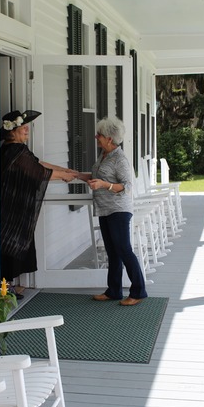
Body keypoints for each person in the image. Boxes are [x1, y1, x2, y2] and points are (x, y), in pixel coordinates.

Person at [0, 109, 77, 296]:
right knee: (9, 247)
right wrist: (64, 176)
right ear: (12, 131)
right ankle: (5, 289)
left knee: (15, 246)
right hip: (12, 208)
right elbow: (39, 173)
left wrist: (67, 172)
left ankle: (9, 286)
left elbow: (39, 164)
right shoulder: (13, 151)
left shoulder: (18, 150)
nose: (27, 129)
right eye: (22, 127)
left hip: (17, 208)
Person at [78, 116, 148, 306]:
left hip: (118, 210)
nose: (96, 137)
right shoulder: (104, 155)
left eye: (99, 135)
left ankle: (139, 291)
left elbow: (127, 186)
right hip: (105, 210)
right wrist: (75, 175)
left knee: (124, 249)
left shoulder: (120, 159)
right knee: (112, 251)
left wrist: (104, 185)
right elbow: (96, 177)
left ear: (109, 138)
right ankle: (114, 290)